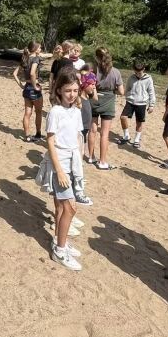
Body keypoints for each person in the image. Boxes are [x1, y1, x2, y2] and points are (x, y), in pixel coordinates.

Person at [35, 68, 85, 271]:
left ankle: (59, 240)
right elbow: (50, 141)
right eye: (67, 91)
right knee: (70, 208)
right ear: (59, 91)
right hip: (60, 165)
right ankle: (60, 250)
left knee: (62, 208)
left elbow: (78, 137)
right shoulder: (55, 112)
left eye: (75, 90)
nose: (71, 94)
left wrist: (79, 163)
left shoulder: (76, 111)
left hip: (73, 163)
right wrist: (59, 170)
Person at [88, 47, 124, 170]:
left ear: (97, 57)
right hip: (108, 102)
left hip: (93, 100)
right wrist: (113, 91)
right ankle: (102, 161)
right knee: (104, 133)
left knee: (92, 130)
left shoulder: (92, 71)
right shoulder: (116, 72)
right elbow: (121, 91)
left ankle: (91, 156)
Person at [118, 61, 156, 147]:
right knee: (123, 117)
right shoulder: (131, 78)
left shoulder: (148, 79)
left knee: (139, 122)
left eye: (139, 72)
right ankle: (126, 136)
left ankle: (137, 139)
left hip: (141, 103)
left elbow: (151, 92)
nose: (137, 74)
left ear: (143, 69)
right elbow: (127, 89)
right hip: (130, 102)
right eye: (136, 72)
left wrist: (151, 105)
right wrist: (124, 95)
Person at [12, 41, 43, 142]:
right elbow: (32, 73)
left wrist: (21, 85)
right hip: (34, 88)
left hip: (26, 88)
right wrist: (35, 86)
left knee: (27, 113)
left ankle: (27, 136)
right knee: (38, 112)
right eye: (39, 48)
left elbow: (14, 74)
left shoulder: (25, 59)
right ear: (35, 49)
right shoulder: (36, 59)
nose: (41, 49)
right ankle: (38, 134)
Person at [76, 69, 97, 207]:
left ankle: (79, 178)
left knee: (81, 156)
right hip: (79, 133)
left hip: (84, 132)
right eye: (92, 84)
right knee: (78, 157)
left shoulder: (86, 98)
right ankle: (77, 186)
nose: (94, 87)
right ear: (84, 85)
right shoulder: (79, 101)